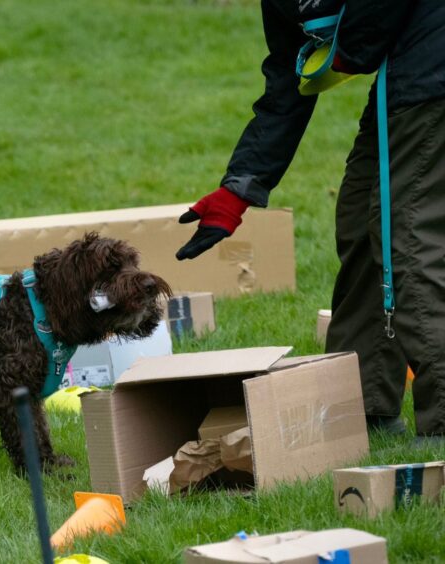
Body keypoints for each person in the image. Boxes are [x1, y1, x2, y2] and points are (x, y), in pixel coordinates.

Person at [176, 0, 445, 441]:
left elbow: (367, 31)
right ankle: (363, 408)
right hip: (408, 73)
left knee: (407, 238)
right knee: (362, 220)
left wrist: (350, 49)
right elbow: (288, 79)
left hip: (431, 69)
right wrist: (237, 190)